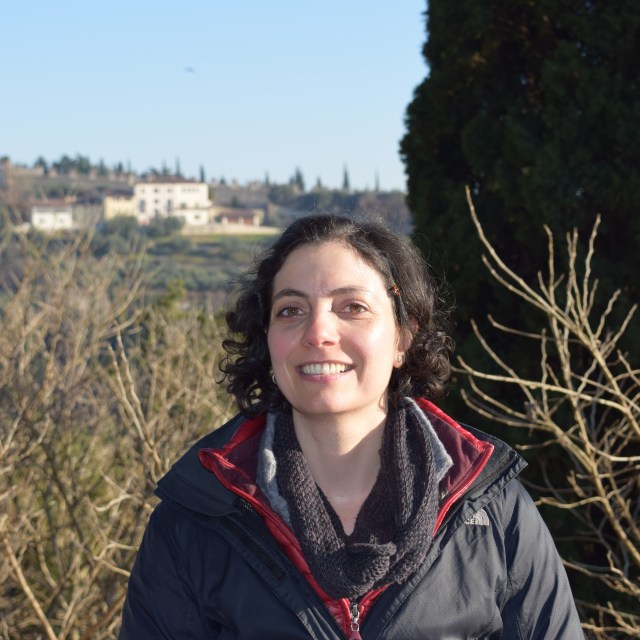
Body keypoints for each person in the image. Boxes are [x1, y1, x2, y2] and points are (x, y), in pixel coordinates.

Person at [119, 214, 583, 639]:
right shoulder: (196, 520)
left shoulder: (493, 510)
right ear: (267, 340)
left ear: (404, 337)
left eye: (352, 307)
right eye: (290, 310)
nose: (318, 332)